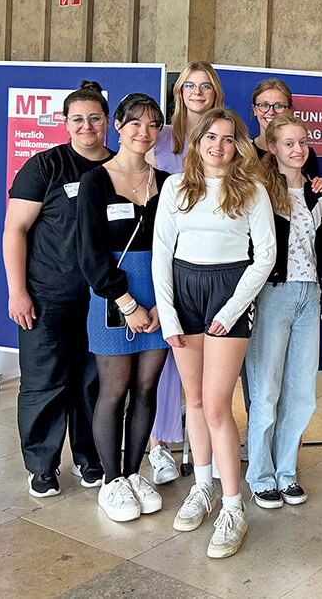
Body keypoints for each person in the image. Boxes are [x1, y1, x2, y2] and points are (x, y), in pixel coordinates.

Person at [152, 108, 276, 558]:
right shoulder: (175, 187)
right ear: (197, 142)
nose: (218, 146)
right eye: (210, 137)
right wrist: (168, 315)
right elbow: (161, 253)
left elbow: (264, 256)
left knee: (219, 406)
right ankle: (202, 487)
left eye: (227, 139)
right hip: (183, 293)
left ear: (237, 146)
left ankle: (231, 506)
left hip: (229, 292)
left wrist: (231, 308)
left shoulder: (253, 191)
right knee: (196, 401)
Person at [3, 81, 109, 498]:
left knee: (92, 383)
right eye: (78, 119)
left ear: (108, 123)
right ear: (65, 123)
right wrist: (18, 292)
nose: (87, 126)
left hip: (101, 300)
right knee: (44, 382)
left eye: (95, 118)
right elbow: (15, 229)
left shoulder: (117, 169)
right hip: (46, 296)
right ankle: (42, 466)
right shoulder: (44, 166)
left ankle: (90, 458)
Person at [76, 93, 170, 522]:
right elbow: (90, 254)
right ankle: (111, 480)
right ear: (118, 125)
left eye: (152, 125)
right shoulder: (96, 181)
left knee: (147, 388)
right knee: (114, 389)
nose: (143, 133)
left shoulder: (167, 182)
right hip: (116, 294)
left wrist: (164, 303)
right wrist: (126, 301)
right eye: (135, 124)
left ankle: (134, 473)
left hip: (161, 296)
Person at [143, 61, 227, 484]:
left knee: (199, 365)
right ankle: (158, 446)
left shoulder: (225, 138)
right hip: (163, 254)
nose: (197, 92)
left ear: (215, 93)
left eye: (205, 85)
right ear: (179, 92)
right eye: (190, 85)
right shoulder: (158, 140)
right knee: (165, 352)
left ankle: (201, 451)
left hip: (209, 266)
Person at [245, 115, 322, 509]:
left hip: (309, 295)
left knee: (302, 392)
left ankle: (287, 471)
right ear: (273, 147)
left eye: (302, 142)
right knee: (266, 390)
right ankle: (261, 475)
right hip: (271, 295)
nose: (298, 149)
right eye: (288, 143)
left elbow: (317, 250)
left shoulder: (315, 193)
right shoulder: (259, 189)